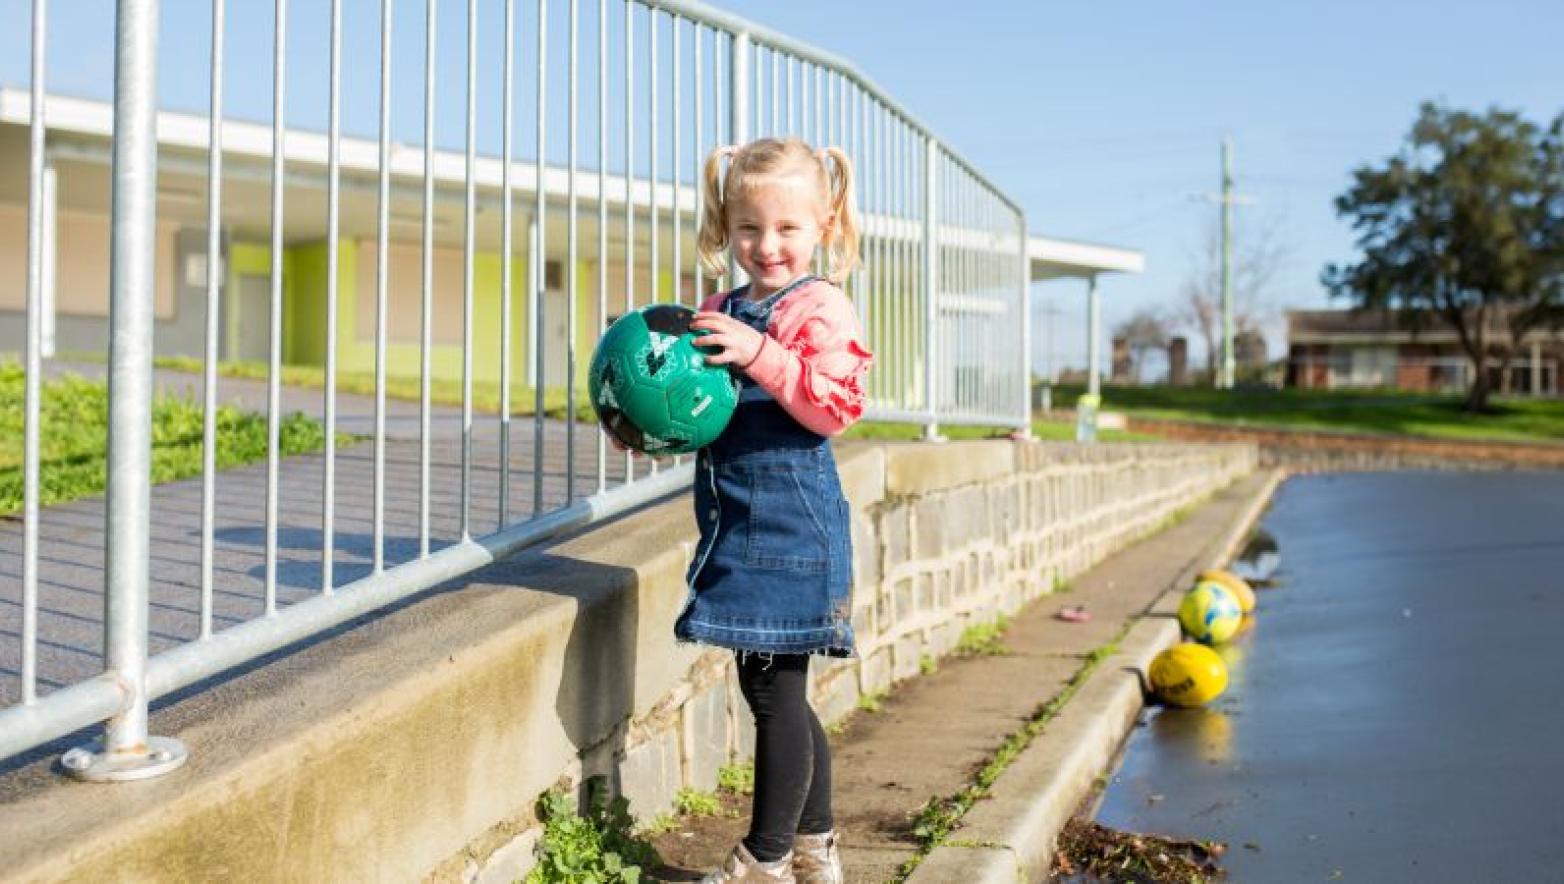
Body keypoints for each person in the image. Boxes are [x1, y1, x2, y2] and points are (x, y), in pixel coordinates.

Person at [678, 136, 870, 883]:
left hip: (792, 524)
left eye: (788, 229)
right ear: (726, 226)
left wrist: (759, 355)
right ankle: (815, 848)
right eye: (750, 228)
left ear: (823, 226)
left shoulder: (821, 305)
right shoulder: (721, 307)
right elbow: (699, 404)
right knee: (772, 684)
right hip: (735, 521)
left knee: (772, 686)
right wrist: (656, 425)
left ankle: (762, 859)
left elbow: (834, 408)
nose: (768, 246)